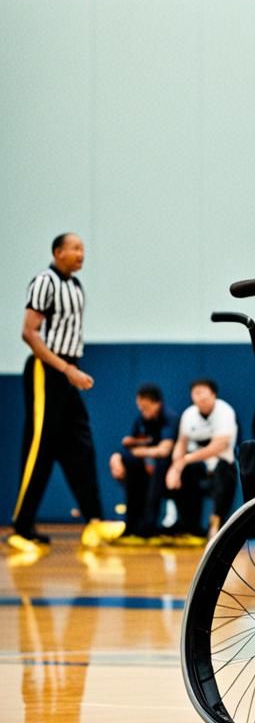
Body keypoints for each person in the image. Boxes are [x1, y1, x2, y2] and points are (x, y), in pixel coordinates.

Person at [10, 233, 123, 552]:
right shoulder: (44, 281)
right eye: (74, 248)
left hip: (67, 373)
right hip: (46, 371)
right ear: (58, 252)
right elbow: (29, 333)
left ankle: (94, 522)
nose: (80, 254)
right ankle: (21, 528)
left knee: (81, 445)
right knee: (39, 448)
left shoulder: (74, 286)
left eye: (83, 249)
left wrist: (71, 372)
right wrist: (66, 370)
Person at [165, 378, 238, 541]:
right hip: (195, 465)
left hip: (221, 463)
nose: (199, 396)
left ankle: (217, 526)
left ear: (213, 394)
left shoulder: (225, 411)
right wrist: (175, 468)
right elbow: (181, 444)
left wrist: (185, 460)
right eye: (195, 392)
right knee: (178, 475)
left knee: (224, 473)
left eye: (202, 392)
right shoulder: (188, 414)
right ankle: (189, 527)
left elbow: (218, 446)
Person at [108, 384, 178, 543]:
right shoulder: (141, 419)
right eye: (140, 407)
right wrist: (116, 458)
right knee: (129, 465)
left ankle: (149, 527)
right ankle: (131, 526)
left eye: (145, 407)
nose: (142, 410)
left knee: (158, 469)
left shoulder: (170, 418)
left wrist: (138, 452)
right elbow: (128, 444)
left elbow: (164, 450)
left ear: (157, 404)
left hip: (167, 470)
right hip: (144, 468)